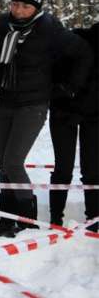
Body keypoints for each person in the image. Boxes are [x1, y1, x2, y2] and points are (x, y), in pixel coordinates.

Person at [0, 0, 92, 238]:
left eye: (26, 6)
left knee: (13, 161)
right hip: (5, 103)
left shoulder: (50, 29)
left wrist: (68, 87)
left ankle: (28, 219)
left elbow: (83, 54)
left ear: (37, 8)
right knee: (3, 164)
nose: (18, 11)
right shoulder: (0, 26)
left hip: (33, 105)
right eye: (15, 4)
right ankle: (8, 221)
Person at [49, 22, 98, 232]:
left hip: (95, 115)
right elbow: (54, 73)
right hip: (64, 110)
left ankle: (93, 222)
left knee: (93, 170)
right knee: (63, 167)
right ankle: (54, 221)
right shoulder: (75, 40)